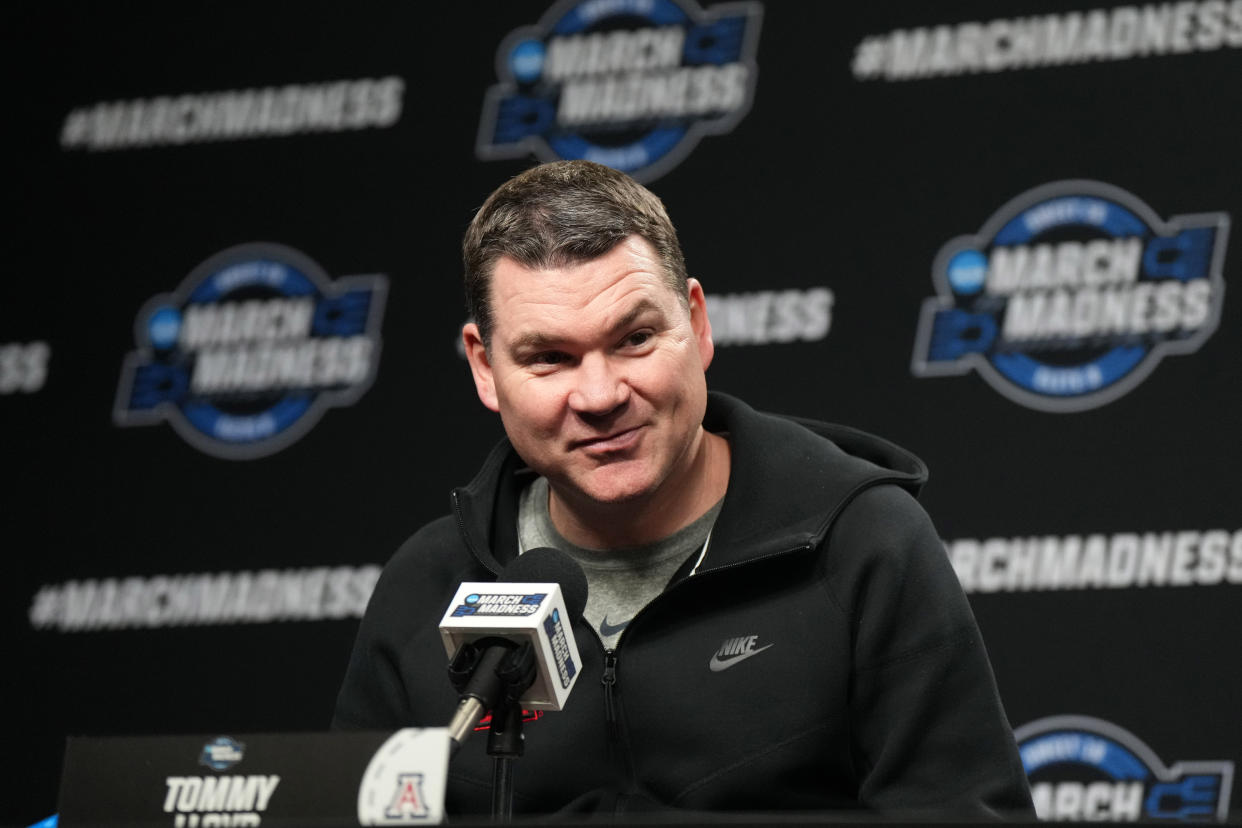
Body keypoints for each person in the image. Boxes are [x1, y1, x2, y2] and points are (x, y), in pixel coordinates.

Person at [334, 160, 1034, 818]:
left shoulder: (863, 546)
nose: (602, 394)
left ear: (696, 323)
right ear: (486, 369)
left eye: (635, 339)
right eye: (549, 358)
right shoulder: (425, 587)